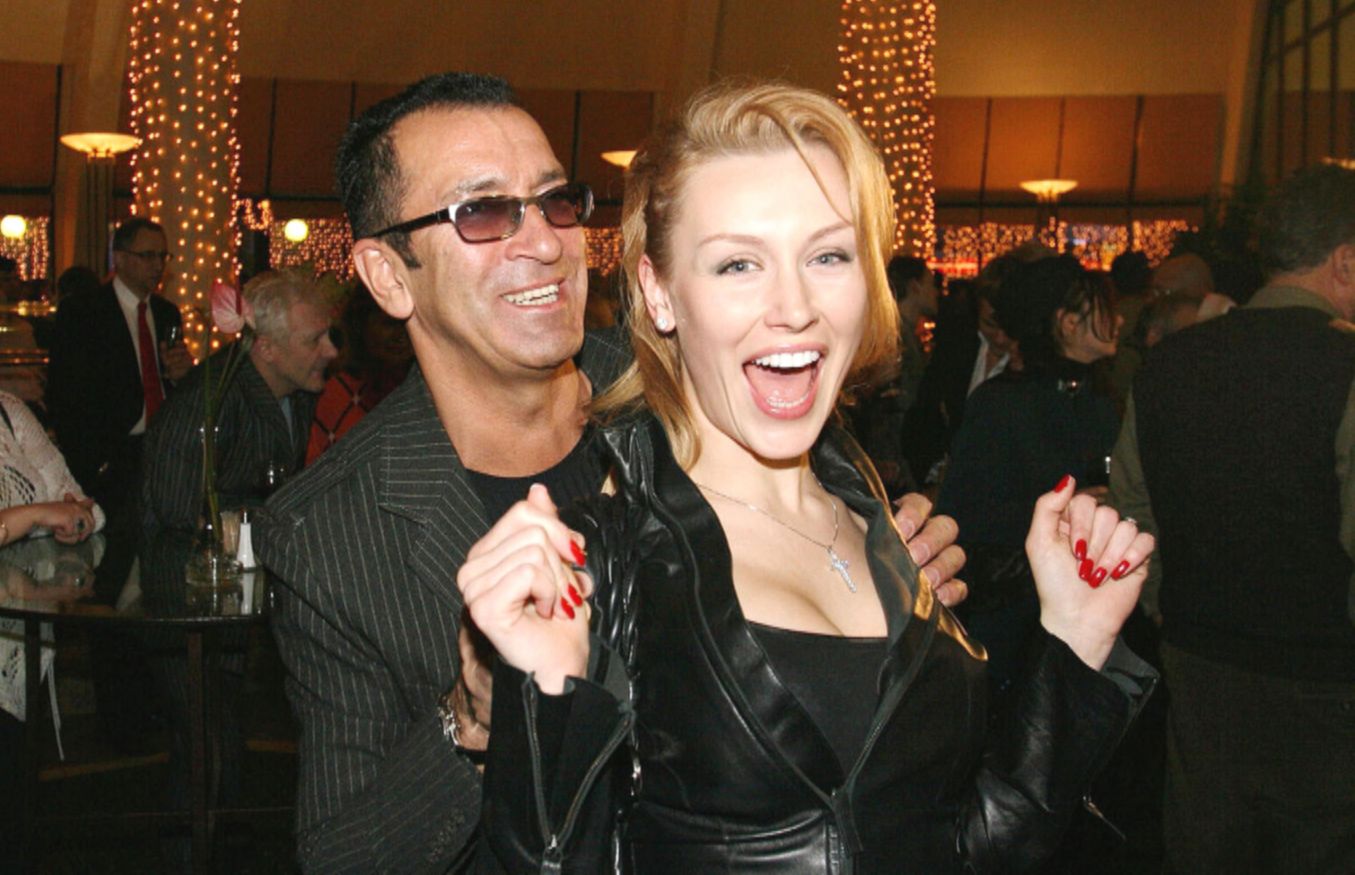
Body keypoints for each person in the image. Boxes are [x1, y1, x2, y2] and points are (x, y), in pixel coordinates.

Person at [256, 72, 965, 873]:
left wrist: (890, 585)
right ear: (389, 274)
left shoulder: (710, 378)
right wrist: (473, 720)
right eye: (482, 212)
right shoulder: (329, 531)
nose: (544, 242)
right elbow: (342, 855)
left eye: (555, 201)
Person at [459, 81, 1156, 873]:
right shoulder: (598, 562)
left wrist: (1075, 635)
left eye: (827, 255)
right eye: (737, 263)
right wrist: (549, 697)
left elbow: (968, 842)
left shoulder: (888, 531)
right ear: (658, 291)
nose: (793, 307)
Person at [1110, 163, 1355, 874]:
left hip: (1198, 665)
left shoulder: (1169, 363)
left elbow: (1132, 510)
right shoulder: (1343, 364)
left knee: (1206, 849)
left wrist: (1171, 605)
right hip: (1325, 681)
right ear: (1344, 260)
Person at [937, 255, 1123, 700]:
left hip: (1086, 613)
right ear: (1068, 323)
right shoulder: (1002, 405)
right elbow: (964, 516)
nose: (1118, 320)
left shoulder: (1102, 398)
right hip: (1015, 623)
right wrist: (1058, 516)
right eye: (1103, 309)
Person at [142, 267, 336, 534]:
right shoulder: (208, 400)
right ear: (266, 348)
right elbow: (178, 511)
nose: (331, 351)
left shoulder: (300, 392)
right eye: (315, 340)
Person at [305, 283, 412, 464]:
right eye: (389, 324)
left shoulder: (429, 392)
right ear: (362, 326)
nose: (401, 335)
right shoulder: (333, 395)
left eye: (409, 325)